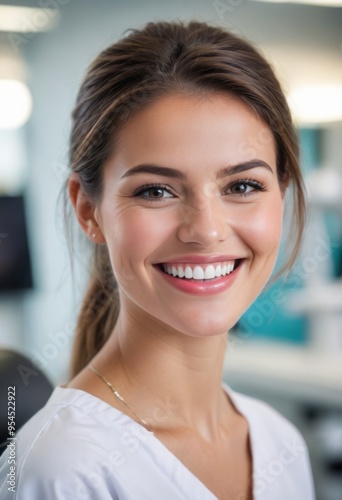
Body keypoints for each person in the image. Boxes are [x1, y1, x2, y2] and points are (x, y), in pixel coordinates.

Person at [0, 20, 315, 500]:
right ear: (89, 210)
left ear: (282, 195)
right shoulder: (63, 470)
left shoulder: (278, 440)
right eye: (156, 190)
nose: (206, 230)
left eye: (243, 186)